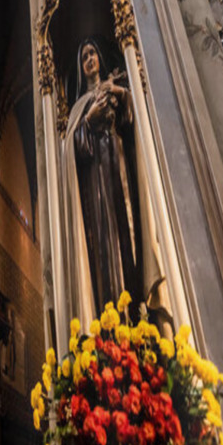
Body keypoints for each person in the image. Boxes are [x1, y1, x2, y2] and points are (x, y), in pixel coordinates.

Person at [63, 38, 164, 323]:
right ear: (81, 67)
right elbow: (71, 152)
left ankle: (139, 315)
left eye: (93, 52)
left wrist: (119, 91)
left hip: (120, 173)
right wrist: (87, 122)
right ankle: (111, 321)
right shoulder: (79, 107)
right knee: (104, 249)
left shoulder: (116, 85)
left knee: (129, 237)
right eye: (84, 56)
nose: (90, 59)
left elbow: (133, 122)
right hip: (96, 185)